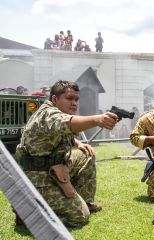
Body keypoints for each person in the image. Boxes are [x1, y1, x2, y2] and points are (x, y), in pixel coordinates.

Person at [15, 80, 119, 226]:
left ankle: (85, 201)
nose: (74, 103)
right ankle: (28, 214)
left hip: (55, 168)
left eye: (76, 99)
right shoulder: (48, 114)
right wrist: (98, 119)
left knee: (86, 155)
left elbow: (61, 133)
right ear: (54, 99)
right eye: (69, 99)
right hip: (38, 178)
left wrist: (78, 143)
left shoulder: (57, 112)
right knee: (79, 216)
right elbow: (66, 123)